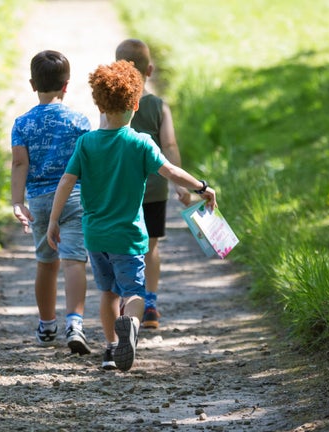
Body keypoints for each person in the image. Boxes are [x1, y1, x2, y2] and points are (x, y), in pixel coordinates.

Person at [46, 60, 216, 371]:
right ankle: (132, 325)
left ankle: (111, 348)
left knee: (108, 292)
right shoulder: (140, 143)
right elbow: (170, 171)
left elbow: (66, 182)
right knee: (134, 293)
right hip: (128, 234)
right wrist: (201, 186)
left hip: (95, 235)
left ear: (99, 104)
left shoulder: (86, 143)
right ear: (135, 104)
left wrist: (53, 220)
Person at [10, 50, 92, 355]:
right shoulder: (79, 121)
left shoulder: (22, 123)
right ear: (66, 85)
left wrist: (18, 202)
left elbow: (20, 164)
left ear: (33, 84)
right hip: (74, 198)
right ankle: (75, 323)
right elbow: (89, 163)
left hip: (42, 203)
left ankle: (46, 325)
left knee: (45, 263)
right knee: (74, 261)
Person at [115, 38, 191, 329]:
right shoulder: (159, 106)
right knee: (152, 246)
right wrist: (180, 185)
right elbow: (169, 144)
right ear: (150, 69)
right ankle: (150, 305)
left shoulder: (114, 105)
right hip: (155, 187)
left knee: (124, 246)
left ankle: (126, 300)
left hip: (123, 189)